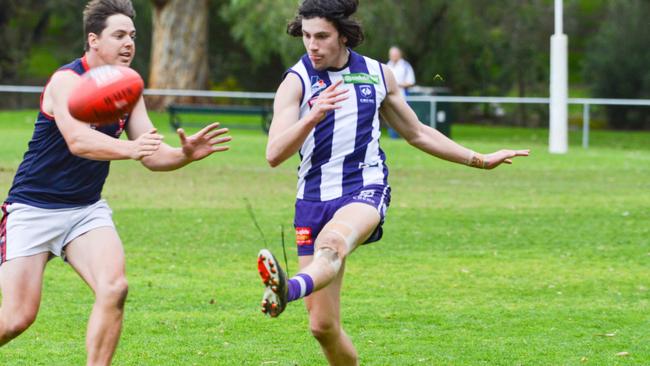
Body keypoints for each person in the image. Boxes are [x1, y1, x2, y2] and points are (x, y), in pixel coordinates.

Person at [256, 0, 529, 365]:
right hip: (312, 199)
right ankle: (294, 292)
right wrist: (314, 115)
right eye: (306, 36)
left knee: (333, 243)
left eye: (321, 36)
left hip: (364, 190)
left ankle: (287, 288)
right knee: (322, 327)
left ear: (343, 34)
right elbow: (274, 154)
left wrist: (479, 160)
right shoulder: (296, 82)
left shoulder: (377, 74)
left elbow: (417, 133)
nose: (312, 45)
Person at [0, 1, 231, 365]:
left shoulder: (129, 87)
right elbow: (79, 141)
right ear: (94, 40)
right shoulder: (66, 81)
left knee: (114, 287)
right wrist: (132, 149)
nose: (129, 44)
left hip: (85, 210)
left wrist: (184, 154)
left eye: (133, 36)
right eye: (119, 35)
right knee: (16, 319)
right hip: (33, 209)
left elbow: (153, 154)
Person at [385, 45, 416, 138]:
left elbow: (411, 82)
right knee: (391, 117)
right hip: (388, 96)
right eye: (391, 54)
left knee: (405, 118)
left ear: (399, 55)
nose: (393, 56)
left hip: (403, 96)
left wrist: (397, 85)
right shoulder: (387, 65)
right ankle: (393, 137)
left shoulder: (405, 66)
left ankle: (407, 136)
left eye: (395, 54)